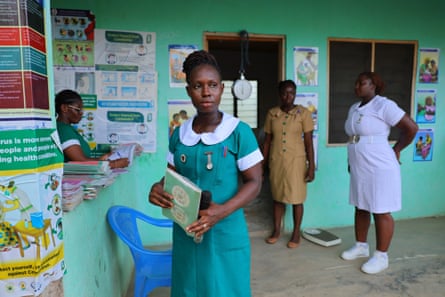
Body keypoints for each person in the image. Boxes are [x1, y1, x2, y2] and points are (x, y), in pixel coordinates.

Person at [148, 50, 263, 297]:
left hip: (226, 230)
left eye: (212, 85)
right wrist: (158, 187)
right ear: (189, 91)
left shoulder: (238, 132)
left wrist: (221, 211)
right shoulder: (179, 135)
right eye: (198, 86)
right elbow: (171, 176)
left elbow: (255, 182)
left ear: (222, 88)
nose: (206, 92)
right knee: (189, 286)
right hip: (187, 230)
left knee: (227, 287)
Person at [342, 72, 418, 274]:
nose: (357, 86)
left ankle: (381, 256)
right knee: (361, 205)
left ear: (374, 85)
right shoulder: (354, 108)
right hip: (360, 165)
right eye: (356, 82)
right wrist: (351, 161)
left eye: (362, 83)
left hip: (380, 165)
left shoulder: (384, 105)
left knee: (380, 209)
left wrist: (397, 149)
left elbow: (411, 128)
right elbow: (353, 138)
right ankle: (361, 246)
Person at [262, 80, 315, 249]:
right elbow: (267, 141)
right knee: (277, 198)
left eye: (292, 93)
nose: (288, 97)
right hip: (276, 161)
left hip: (297, 162)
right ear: (280, 94)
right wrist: (262, 164)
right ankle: (277, 231)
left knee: (296, 199)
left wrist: (311, 166)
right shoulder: (272, 114)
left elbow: (308, 142)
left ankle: (296, 233)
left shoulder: (303, 114)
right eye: (285, 93)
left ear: (295, 93)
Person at [55, 89, 129, 169]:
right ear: (64, 108)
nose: (81, 113)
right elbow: (80, 162)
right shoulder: (64, 129)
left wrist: (103, 159)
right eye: (78, 109)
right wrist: (114, 164)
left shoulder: (68, 129)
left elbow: (84, 160)